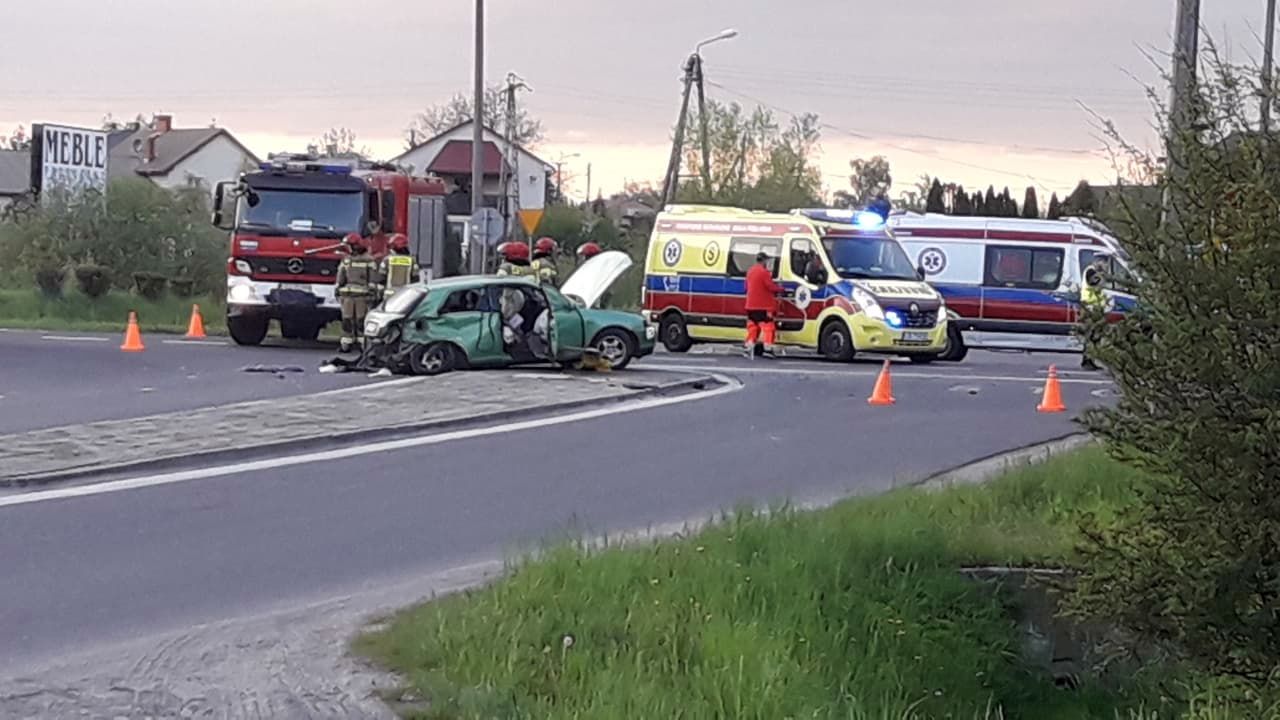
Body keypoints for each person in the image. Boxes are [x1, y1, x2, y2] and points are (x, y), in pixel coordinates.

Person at [334, 233, 378, 353]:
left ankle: (362, 344)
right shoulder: (346, 260)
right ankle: (346, 344)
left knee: (360, 320)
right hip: (347, 296)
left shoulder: (369, 260)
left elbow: (373, 278)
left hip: (362, 297)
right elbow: (341, 277)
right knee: (347, 320)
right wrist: (338, 288)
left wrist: (372, 294)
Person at [744, 250, 785, 358]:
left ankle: (749, 347)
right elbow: (770, 287)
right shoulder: (764, 272)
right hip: (763, 306)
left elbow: (746, 287)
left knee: (753, 327)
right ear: (763, 261)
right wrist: (781, 289)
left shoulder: (750, 271)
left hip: (750, 306)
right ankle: (767, 348)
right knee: (768, 327)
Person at [1079, 254, 1109, 370]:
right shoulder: (1090, 271)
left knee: (1095, 336)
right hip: (1089, 308)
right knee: (1090, 336)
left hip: (1096, 308)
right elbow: (1093, 283)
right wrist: (1102, 275)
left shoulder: (1096, 272)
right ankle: (1087, 361)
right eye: (1104, 262)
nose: (1106, 265)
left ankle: (1091, 359)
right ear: (1098, 261)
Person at [379, 234, 419, 301]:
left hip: (389, 296)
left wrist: (380, 294)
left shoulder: (387, 260)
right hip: (405, 296)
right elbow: (416, 280)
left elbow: (381, 279)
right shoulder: (412, 261)